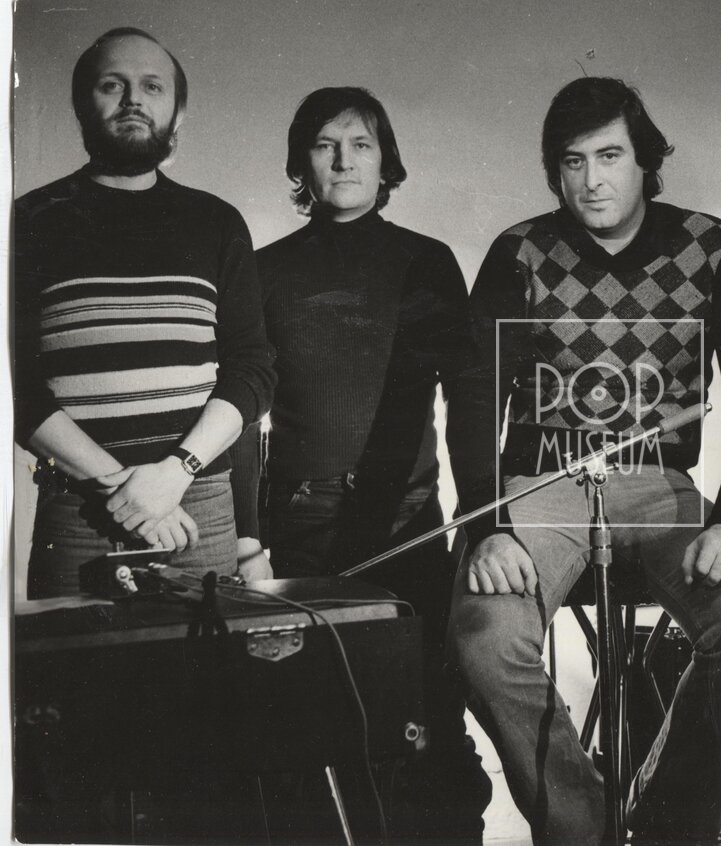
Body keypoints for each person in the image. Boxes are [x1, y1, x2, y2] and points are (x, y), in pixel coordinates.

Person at [445, 76, 721, 845]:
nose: (592, 179)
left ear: (645, 161)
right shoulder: (519, 252)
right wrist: (487, 529)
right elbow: (472, 402)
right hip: (541, 483)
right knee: (484, 638)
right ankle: (583, 829)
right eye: (573, 162)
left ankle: (668, 821)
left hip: (660, 484)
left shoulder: (716, 249)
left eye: (610, 156)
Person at [229, 86, 491, 842]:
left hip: (409, 525)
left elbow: (469, 396)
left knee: (429, 730)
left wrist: (482, 522)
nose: (343, 161)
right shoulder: (265, 270)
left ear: (386, 163)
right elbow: (241, 410)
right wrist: (248, 540)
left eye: (361, 145)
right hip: (299, 531)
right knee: (305, 737)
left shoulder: (426, 262)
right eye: (325, 145)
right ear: (302, 164)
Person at [13, 27, 275, 600]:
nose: (133, 99)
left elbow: (252, 372)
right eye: (113, 84)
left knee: (204, 658)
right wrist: (127, 492)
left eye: (152, 86)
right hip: (79, 512)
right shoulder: (26, 222)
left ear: (177, 111)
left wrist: (174, 473)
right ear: (82, 103)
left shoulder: (217, 223)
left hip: (200, 505)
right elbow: (15, 387)